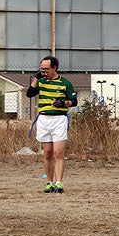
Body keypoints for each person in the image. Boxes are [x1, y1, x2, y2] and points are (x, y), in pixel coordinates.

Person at [25, 55, 78, 193]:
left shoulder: (65, 83)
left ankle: (59, 182)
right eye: (42, 69)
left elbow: (74, 101)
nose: (44, 72)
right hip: (44, 119)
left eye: (46, 69)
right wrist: (36, 78)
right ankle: (49, 182)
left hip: (59, 119)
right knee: (47, 152)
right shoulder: (41, 82)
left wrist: (63, 103)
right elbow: (29, 94)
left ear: (54, 68)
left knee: (58, 152)